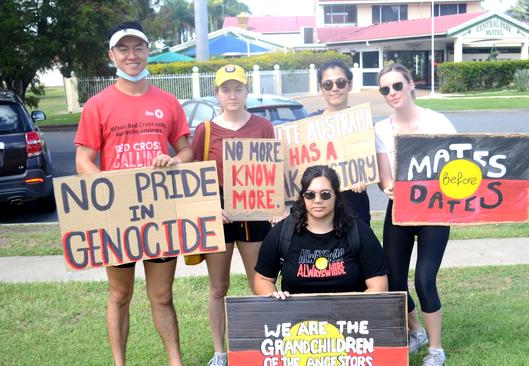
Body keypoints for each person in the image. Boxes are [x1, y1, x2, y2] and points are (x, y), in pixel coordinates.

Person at [74, 22, 192, 366]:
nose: (131, 55)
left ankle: (175, 361)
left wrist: (172, 160)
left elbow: (185, 150)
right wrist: (107, 188)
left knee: (162, 295)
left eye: (138, 48)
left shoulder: (168, 102)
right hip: (118, 216)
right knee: (120, 294)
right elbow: (84, 159)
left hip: (159, 213)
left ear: (147, 52)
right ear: (112, 55)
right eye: (123, 49)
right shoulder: (97, 105)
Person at [189, 64, 274, 366]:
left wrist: (274, 206)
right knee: (218, 286)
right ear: (217, 94)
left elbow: (271, 172)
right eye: (226, 89)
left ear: (246, 90)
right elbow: (193, 176)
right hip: (219, 208)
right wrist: (210, 205)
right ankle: (219, 352)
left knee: (259, 282)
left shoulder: (263, 126)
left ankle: (265, 343)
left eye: (238, 88)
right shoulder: (206, 130)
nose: (232, 94)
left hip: (253, 207)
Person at [374, 63, 456, 366]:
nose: (392, 93)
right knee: (393, 280)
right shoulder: (381, 129)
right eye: (385, 89)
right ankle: (416, 332)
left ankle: (436, 349)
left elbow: (463, 162)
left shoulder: (438, 121)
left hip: (434, 212)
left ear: (410, 85)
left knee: (424, 279)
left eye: (397, 86)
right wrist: (389, 188)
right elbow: (384, 177)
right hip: (400, 211)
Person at [254, 165, 387, 299]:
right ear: (303, 197)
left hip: (347, 316)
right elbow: (263, 279)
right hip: (297, 317)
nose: (317, 200)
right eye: (310, 195)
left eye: (325, 194)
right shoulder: (282, 233)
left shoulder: (359, 232)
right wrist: (272, 295)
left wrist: (351, 305)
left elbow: (379, 286)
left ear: (336, 196)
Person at [308, 60, 372, 225]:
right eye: (328, 84)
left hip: (355, 208)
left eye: (341, 83)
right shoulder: (309, 124)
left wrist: (364, 177)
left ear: (349, 85)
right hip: (319, 212)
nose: (334, 88)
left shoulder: (364, 123)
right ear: (321, 88)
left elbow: (373, 167)